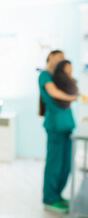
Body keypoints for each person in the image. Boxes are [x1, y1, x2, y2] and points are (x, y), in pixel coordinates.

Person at [38, 50, 77, 213]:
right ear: (51, 57)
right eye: (59, 56)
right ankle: (49, 198)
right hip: (55, 125)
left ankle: (58, 195)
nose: (62, 59)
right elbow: (54, 93)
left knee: (66, 164)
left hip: (67, 125)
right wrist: (73, 96)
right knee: (55, 163)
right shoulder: (45, 75)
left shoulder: (59, 76)